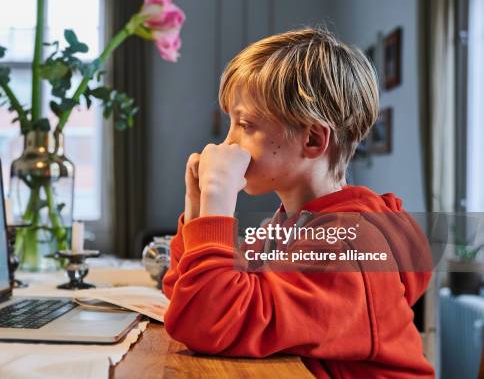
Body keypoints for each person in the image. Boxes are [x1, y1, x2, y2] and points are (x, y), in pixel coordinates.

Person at [162, 28, 434, 378]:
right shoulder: (288, 226)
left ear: (312, 138)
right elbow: (190, 300)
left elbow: (208, 322)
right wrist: (198, 204)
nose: (227, 143)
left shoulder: (346, 245)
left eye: (245, 124)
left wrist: (219, 198)